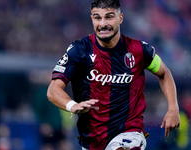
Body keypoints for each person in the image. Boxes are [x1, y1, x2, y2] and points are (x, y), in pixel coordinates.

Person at [47, 0, 180, 150]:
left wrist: (173, 108)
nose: (103, 23)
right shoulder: (78, 50)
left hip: (129, 132)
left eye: (109, 17)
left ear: (120, 18)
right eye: (98, 18)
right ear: (92, 19)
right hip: (92, 139)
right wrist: (73, 105)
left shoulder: (139, 50)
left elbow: (164, 73)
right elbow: (53, 90)